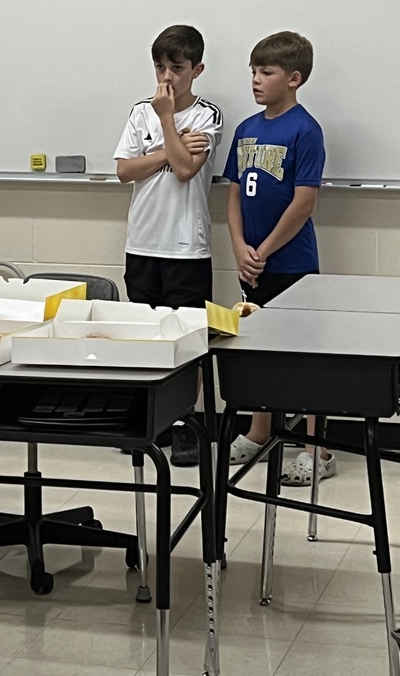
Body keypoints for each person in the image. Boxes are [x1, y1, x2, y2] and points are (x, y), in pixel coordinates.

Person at [224, 30, 329, 486]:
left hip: (290, 265)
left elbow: (303, 202)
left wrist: (263, 252)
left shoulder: (305, 129)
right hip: (253, 263)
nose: (255, 80)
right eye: (253, 71)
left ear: (293, 78)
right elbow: (232, 193)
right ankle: (259, 431)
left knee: (303, 359)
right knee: (256, 352)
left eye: (266, 72)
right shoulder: (247, 129)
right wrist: (239, 247)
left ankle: (317, 450)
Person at [114, 24, 223, 465]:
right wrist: (165, 147)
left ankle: (185, 423)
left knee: (188, 339)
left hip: (185, 245)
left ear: (196, 69)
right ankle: (150, 418)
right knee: (144, 333)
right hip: (143, 241)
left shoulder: (207, 116)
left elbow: (183, 171)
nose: (166, 77)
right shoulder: (139, 111)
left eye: (176, 68)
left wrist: (166, 123)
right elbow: (125, 171)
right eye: (159, 66)